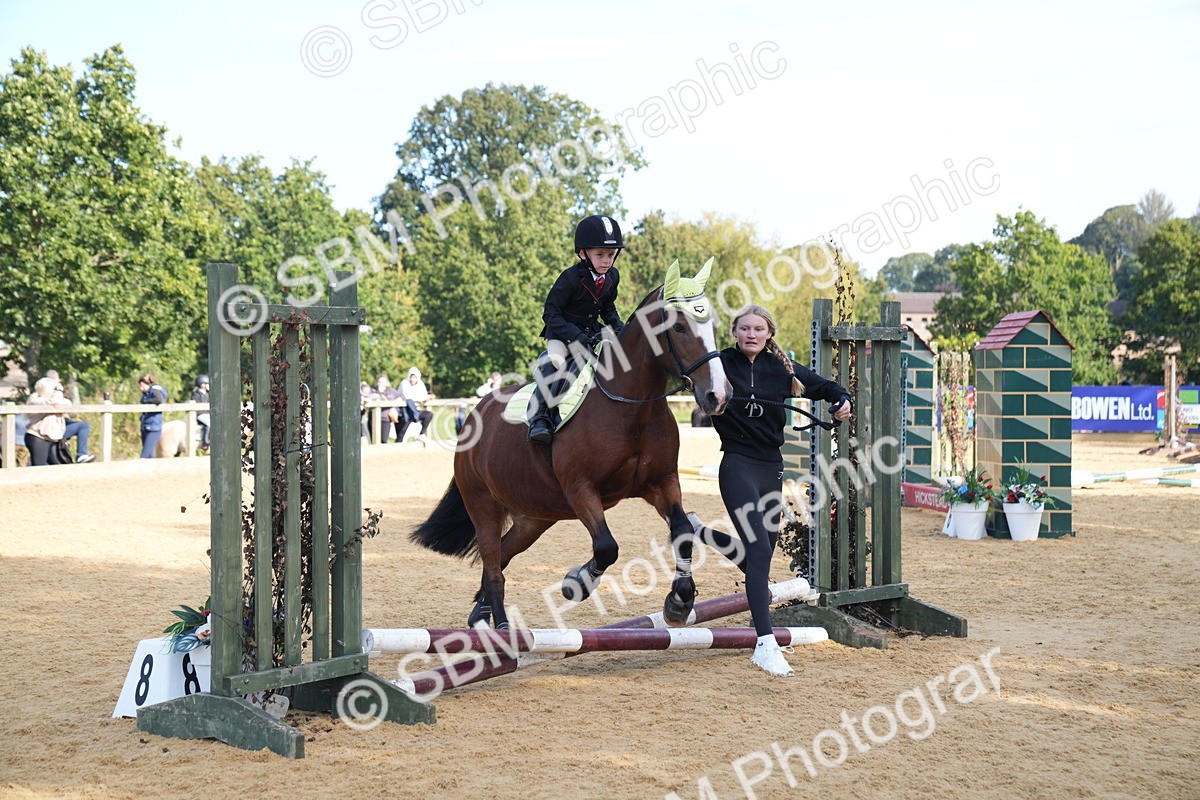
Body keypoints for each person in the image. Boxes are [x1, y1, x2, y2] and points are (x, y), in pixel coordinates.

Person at [690, 304, 853, 677]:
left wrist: (841, 400)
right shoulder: (721, 364)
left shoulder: (781, 367)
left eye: (758, 329)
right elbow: (689, 375)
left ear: (768, 334)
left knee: (758, 559)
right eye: (744, 328)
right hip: (737, 465)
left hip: (771, 467)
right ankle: (765, 644)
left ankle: (699, 532)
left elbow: (825, 387)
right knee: (760, 550)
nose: (751, 334)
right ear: (734, 332)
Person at [527, 214, 626, 444]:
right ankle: (540, 416)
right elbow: (550, 313)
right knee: (556, 362)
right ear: (583, 254)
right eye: (599, 254)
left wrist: (619, 327)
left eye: (611, 255)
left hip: (591, 331)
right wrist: (576, 336)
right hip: (562, 332)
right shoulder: (570, 278)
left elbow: (607, 307)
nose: (606, 261)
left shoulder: (612, 276)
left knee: (620, 357)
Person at [43, 370, 94, 462]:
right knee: (84, 426)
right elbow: (62, 407)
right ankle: (81, 455)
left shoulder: (44, 392)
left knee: (82, 425)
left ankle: (81, 455)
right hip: (51, 430)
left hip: (56, 426)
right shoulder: (48, 394)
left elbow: (71, 413)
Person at [23, 377, 71, 466]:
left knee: (57, 464)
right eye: (54, 389)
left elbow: (68, 403)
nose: (56, 391)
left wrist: (58, 397)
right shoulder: (35, 400)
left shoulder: (56, 400)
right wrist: (59, 391)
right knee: (39, 465)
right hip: (37, 436)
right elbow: (51, 402)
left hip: (51, 437)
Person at [137, 373, 168, 459]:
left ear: (142, 384)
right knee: (150, 455)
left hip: (153, 426)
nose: (139, 388)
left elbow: (158, 399)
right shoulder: (146, 393)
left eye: (140, 385)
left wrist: (146, 401)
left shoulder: (154, 390)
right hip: (145, 425)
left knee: (144, 455)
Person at [400, 367, 433, 441]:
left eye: (414, 377)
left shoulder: (420, 384)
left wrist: (428, 397)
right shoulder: (404, 383)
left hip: (416, 411)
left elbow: (424, 395)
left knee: (428, 415)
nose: (412, 380)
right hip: (406, 412)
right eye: (411, 377)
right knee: (402, 434)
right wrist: (423, 398)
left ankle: (421, 434)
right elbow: (408, 397)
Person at [192, 374, 211, 452]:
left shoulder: (207, 393)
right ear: (201, 384)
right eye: (206, 384)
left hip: (206, 413)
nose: (207, 385)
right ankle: (206, 442)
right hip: (200, 414)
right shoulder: (196, 393)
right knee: (209, 422)